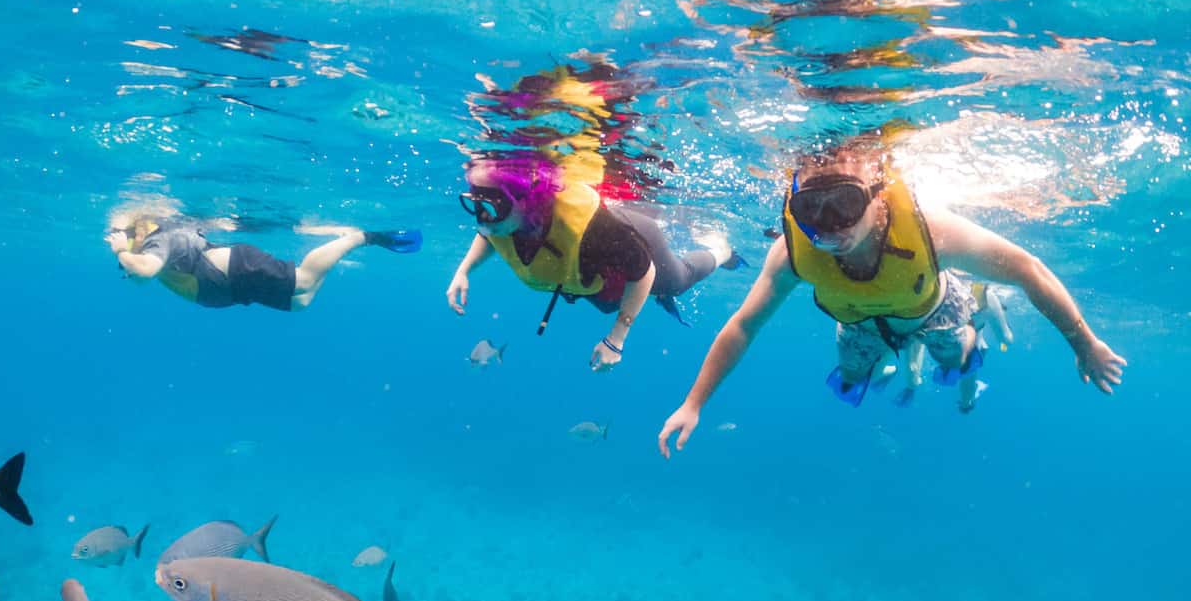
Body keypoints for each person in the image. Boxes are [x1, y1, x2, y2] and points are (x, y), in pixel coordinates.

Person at [658, 135, 1127, 456]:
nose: (829, 226)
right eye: (811, 209)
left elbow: (1028, 268)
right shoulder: (791, 254)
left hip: (934, 307)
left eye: (845, 204)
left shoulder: (933, 232)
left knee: (955, 358)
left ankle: (970, 333)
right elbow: (743, 325)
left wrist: (1084, 343)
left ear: (878, 194)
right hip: (859, 321)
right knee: (850, 376)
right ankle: (898, 360)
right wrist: (694, 402)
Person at [445, 153, 739, 372]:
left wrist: (616, 339)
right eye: (474, 204)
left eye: (492, 207)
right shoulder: (500, 220)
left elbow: (643, 269)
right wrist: (464, 270)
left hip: (630, 237)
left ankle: (719, 249)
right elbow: (489, 233)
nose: (481, 216)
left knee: (675, 281)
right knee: (608, 303)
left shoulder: (590, 228)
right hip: (592, 273)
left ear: (527, 200)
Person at [107, 215, 421, 311]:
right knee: (302, 303)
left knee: (304, 281)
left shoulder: (158, 241)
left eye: (120, 234)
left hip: (234, 268)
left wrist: (122, 252)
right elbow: (139, 276)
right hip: (230, 286)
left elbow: (145, 272)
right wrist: (125, 258)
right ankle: (337, 251)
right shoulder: (144, 251)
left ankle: (360, 237)